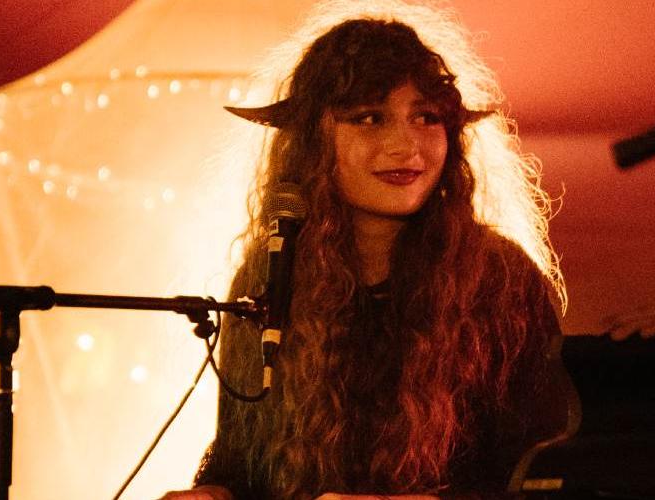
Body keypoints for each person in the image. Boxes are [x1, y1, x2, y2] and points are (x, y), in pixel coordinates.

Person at [164, 1, 570, 498]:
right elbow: (244, 459)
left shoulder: (498, 277)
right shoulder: (269, 274)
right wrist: (216, 492)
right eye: (370, 118)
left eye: (425, 117)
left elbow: (544, 471)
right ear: (313, 142)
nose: (407, 147)